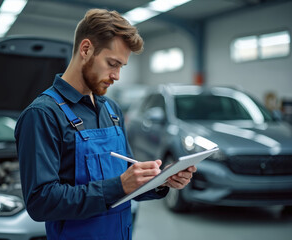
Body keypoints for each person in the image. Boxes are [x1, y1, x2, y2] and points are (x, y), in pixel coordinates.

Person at [15, 8, 196, 240]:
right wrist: (118, 186)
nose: (117, 75)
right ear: (86, 49)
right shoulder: (43, 115)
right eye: (112, 63)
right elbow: (41, 202)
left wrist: (162, 181)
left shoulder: (111, 110)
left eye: (122, 66)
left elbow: (127, 177)